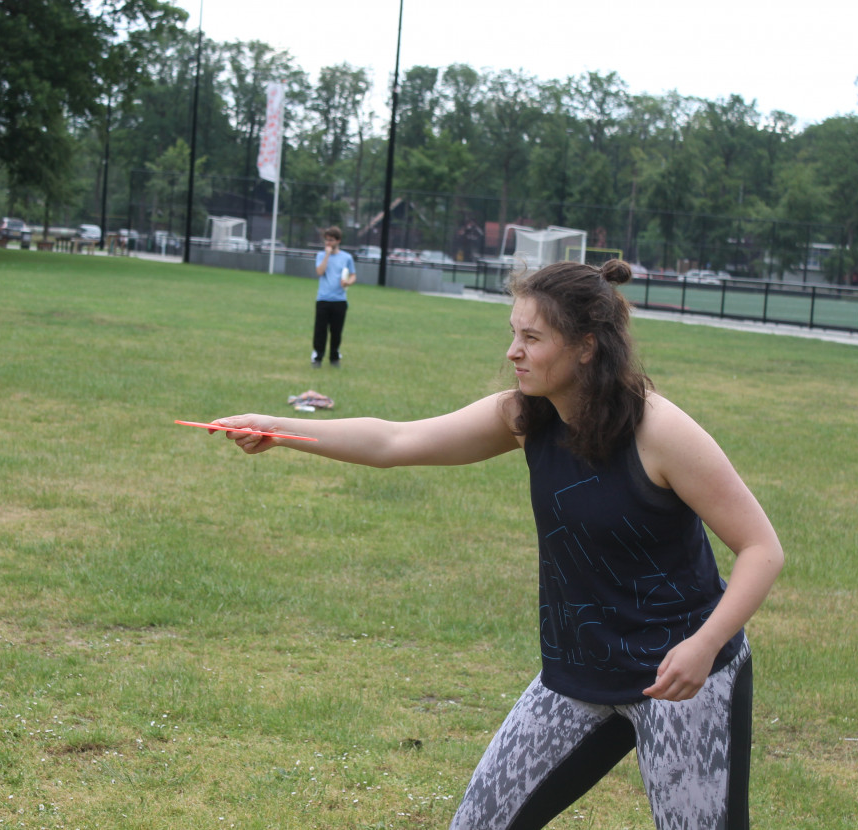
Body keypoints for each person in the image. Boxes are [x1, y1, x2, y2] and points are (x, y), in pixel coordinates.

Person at [210, 259, 783, 830]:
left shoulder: (659, 432)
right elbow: (394, 439)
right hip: (576, 674)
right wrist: (277, 429)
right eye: (514, 333)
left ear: (586, 347)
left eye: (531, 337)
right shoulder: (525, 417)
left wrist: (705, 647)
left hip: (683, 678)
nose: (513, 351)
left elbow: (761, 548)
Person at [311, 226, 356, 367]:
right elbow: (319, 272)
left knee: (336, 332)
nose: (328, 243)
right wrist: (327, 255)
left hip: (339, 300)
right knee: (320, 331)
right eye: (326, 240)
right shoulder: (321, 255)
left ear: (338, 240)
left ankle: (334, 357)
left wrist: (348, 282)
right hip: (323, 299)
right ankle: (317, 357)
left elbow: (353, 275)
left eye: (331, 240)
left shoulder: (347, 257)